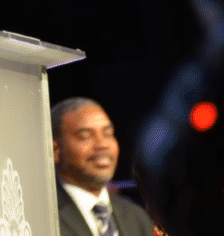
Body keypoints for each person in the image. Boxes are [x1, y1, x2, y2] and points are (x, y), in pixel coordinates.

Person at [51, 98, 155, 236]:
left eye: (108, 133)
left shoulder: (137, 218)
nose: (102, 144)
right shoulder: (44, 217)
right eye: (85, 136)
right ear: (55, 150)